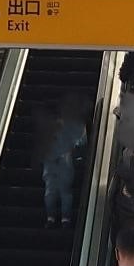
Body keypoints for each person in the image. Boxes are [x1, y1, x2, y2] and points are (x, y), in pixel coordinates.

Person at [40, 94, 90, 228]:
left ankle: (52, 218)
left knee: (52, 189)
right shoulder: (77, 125)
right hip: (64, 159)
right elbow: (81, 143)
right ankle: (64, 219)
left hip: (52, 160)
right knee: (64, 190)